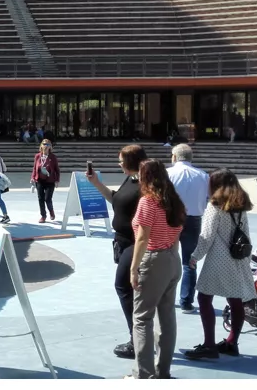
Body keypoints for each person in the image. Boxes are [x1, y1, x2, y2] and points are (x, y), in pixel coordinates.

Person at [182, 169, 257, 360]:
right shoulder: (240, 206)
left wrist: (194, 257)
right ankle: (232, 341)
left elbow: (206, 236)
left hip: (218, 259)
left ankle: (209, 345)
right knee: (235, 299)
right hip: (238, 258)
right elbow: (246, 235)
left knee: (204, 298)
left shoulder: (215, 206)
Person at [86, 144, 147, 359]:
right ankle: (141, 336)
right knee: (130, 289)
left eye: (121, 160)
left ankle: (137, 339)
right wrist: (96, 184)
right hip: (123, 241)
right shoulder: (130, 179)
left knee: (123, 286)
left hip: (135, 242)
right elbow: (116, 200)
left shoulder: (144, 184)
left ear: (131, 161)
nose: (119, 164)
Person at [128, 159, 185, 379]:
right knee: (167, 316)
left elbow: (143, 238)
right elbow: (177, 233)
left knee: (142, 318)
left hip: (153, 259)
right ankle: (163, 371)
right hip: (172, 257)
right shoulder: (175, 201)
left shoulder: (148, 202)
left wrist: (134, 269)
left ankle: (142, 374)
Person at [166, 144, 209, 314]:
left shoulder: (168, 174)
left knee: (166, 258)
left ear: (174, 157)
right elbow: (209, 198)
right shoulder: (203, 175)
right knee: (189, 262)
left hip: (171, 219)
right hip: (193, 219)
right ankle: (186, 301)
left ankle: (165, 296)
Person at [31, 139, 60, 223]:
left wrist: (57, 180)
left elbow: (57, 170)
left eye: (48, 144)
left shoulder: (53, 157)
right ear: (41, 145)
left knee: (47, 198)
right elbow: (34, 168)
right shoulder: (37, 156)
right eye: (44, 144)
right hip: (39, 180)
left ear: (50, 146)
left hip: (50, 181)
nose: (46, 146)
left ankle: (51, 211)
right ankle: (43, 216)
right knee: (40, 198)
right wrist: (33, 177)